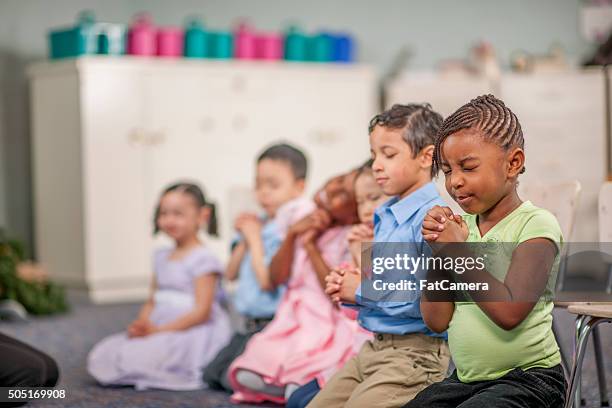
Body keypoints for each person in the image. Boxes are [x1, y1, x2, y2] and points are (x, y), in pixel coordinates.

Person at [406, 94, 566, 407]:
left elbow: (509, 312)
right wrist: (440, 251)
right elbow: (436, 320)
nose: (455, 182)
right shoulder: (460, 227)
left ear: (513, 163)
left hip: (528, 380)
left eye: (468, 167)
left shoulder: (535, 224)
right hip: (465, 379)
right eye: (448, 171)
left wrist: (456, 250)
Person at [314, 104, 450, 408]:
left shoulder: (433, 218)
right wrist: (348, 283)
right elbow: (385, 281)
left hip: (416, 355)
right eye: (374, 154)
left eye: (388, 155)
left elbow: (432, 302)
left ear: (426, 157)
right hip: (374, 347)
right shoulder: (386, 214)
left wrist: (360, 290)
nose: (376, 165)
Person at [227, 168, 369, 404]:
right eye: (336, 180)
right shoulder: (301, 217)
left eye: (343, 194)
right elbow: (275, 278)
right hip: (290, 313)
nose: (331, 189)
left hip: (323, 318)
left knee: (299, 381)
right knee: (243, 374)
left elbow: (334, 293)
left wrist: (311, 246)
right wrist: (293, 234)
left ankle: (297, 386)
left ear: (353, 211)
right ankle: (287, 386)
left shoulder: (349, 235)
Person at [87, 182, 231, 390]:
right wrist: (143, 324)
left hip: (190, 330)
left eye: (178, 214)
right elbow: (153, 299)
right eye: (164, 213)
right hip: (158, 326)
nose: (169, 220)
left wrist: (159, 331)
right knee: (107, 353)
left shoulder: (203, 260)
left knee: (140, 357)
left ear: (202, 215)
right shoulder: (160, 256)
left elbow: (202, 312)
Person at [203, 143, 309, 392]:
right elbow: (230, 274)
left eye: (273, 185)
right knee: (212, 374)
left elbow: (268, 281)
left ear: (299, 187)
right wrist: (244, 238)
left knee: (233, 379)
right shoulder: (258, 222)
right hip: (245, 323)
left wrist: (254, 238)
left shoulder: (287, 230)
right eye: (258, 184)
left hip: (271, 323)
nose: (263, 193)